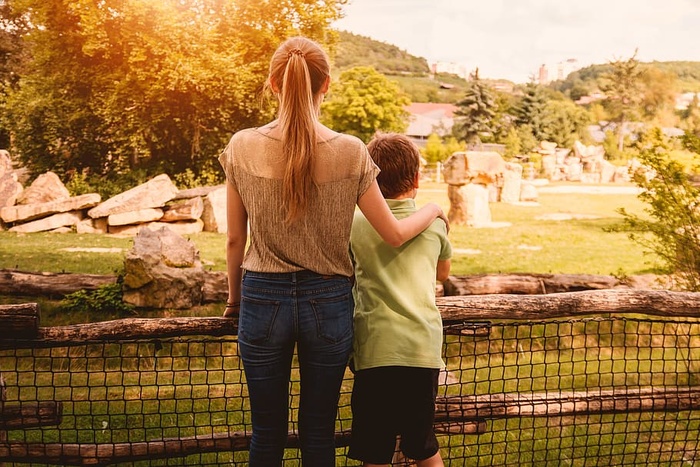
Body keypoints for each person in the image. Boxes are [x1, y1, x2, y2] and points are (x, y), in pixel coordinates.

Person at [217, 36, 448, 467]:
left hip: (263, 299)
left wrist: (234, 299)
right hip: (329, 301)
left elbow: (235, 239)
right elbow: (395, 234)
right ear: (326, 86)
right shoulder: (350, 151)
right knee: (318, 430)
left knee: (266, 433)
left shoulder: (242, 145)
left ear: (272, 85)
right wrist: (433, 208)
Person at [347, 133, 452, 467]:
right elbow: (443, 274)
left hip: (375, 349)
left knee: (375, 447)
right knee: (422, 443)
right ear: (418, 178)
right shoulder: (435, 227)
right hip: (421, 351)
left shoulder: (355, 225)